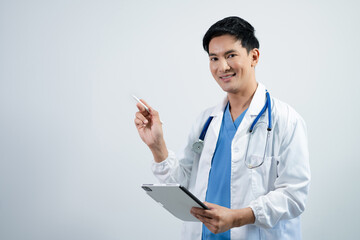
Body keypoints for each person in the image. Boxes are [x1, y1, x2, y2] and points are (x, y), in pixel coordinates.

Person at [134, 16, 310, 240]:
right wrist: (157, 146)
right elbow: (183, 185)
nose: (222, 67)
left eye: (231, 55)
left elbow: (294, 196)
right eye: (214, 58)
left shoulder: (286, 120)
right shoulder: (206, 121)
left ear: (253, 56)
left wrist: (238, 217)